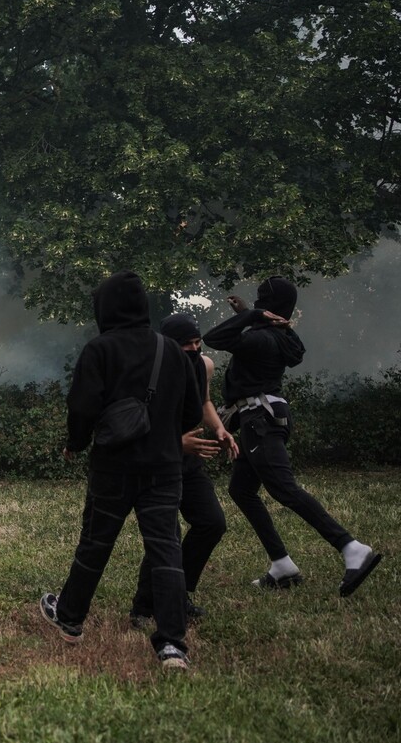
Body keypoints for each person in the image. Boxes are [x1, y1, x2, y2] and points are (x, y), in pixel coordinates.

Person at [39, 271, 202, 669]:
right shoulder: (173, 351)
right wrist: (161, 435)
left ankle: (71, 620)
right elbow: (193, 413)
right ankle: (171, 644)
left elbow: (81, 408)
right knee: (165, 549)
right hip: (165, 468)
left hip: (113, 467)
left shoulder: (100, 350)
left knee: (96, 542)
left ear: (106, 308)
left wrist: (75, 444)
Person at [202, 276, 383, 596]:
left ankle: (352, 548)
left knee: (284, 488)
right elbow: (297, 350)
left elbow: (213, 338)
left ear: (266, 308)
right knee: (241, 490)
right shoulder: (282, 337)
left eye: (259, 303)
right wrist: (257, 316)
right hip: (265, 418)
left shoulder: (261, 338)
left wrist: (249, 316)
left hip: (260, 420)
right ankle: (282, 565)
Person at [129, 313, 235, 629]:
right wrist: (177, 442)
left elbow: (203, 402)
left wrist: (219, 429)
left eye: (196, 341)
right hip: (156, 460)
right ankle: (143, 608)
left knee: (211, 523)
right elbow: (136, 421)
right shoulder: (151, 369)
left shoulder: (204, 365)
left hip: (188, 462)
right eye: (185, 343)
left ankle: (179, 595)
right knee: (167, 534)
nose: (192, 348)